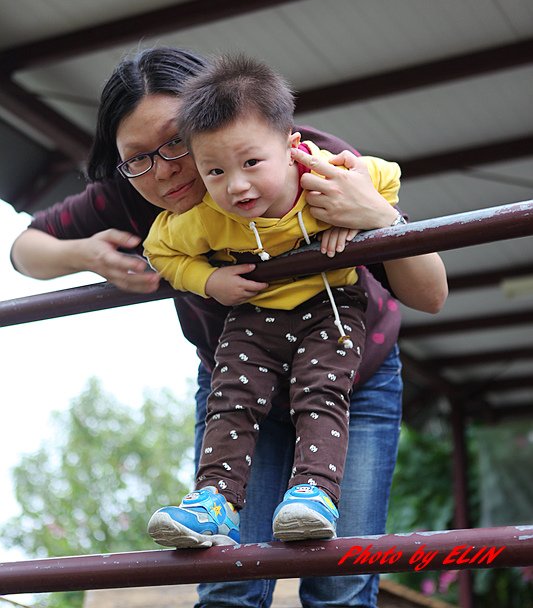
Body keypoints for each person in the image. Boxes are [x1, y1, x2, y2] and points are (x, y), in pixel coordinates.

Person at [10, 47, 447, 608]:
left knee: (339, 577)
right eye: (137, 156)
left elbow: (431, 295)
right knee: (229, 573)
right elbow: (25, 250)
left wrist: (380, 217)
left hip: (350, 378)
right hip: (238, 385)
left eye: (175, 142)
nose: (164, 168)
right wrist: (85, 256)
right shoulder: (137, 191)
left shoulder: (304, 162)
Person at [143, 53, 401, 547]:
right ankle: (215, 500)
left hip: (330, 308)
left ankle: (313, 492)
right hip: (255, 316)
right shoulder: (206, 216)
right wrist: (208, 281)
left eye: (251, 163)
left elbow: (385, 177)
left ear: (291, 147)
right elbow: (160, 249)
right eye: (214, 171)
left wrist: (357, 211)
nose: (236, 185)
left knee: (321, 392)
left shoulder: (320, 175)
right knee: (230, 398)